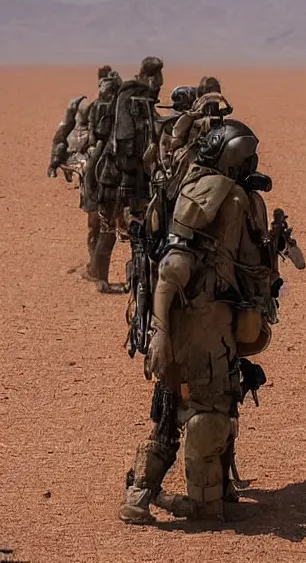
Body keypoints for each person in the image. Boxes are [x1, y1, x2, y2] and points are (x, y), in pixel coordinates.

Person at [120, 119, 288, 523]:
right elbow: (175, 266)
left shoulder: (198, 188)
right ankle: (201, 503)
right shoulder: (224, 198)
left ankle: (140, 495)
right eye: (247, 159)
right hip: (204, 325)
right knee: (211, 408)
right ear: (233, 159)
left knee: (172, 404)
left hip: (188, 320)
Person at [92, 56, 164, 293]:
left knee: (139, 229)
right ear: (150, 76)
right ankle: (100, 279)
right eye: (158, 82)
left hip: (136, 177)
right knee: (109, 225)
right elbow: (123, 140)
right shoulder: (130, 96)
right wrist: (129, 173)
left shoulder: (143, 99)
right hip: (117, 177)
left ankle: (137, 279)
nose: (160, 87)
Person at [46, 65, 119, 280]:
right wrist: (56, 160)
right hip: (92, 167)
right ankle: (95, 269)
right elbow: (64, 132)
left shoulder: (121, 108)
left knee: (103, 223)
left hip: (108, 166)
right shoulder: (85, 107)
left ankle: (97, 269)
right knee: (96, 222)